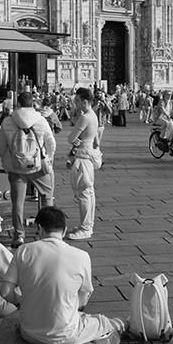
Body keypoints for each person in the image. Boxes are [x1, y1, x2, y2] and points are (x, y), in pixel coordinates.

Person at [0, 206, 127, 344]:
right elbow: (83, 299)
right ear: (64, 231)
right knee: (101, 321)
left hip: (29, 334)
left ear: (40, 228)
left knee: (78, 317)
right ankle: (124, 325)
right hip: (65, 336)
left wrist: (23, 302)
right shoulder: (81, 256)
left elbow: (5, 292)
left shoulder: (23, 251)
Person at [0, 91, 56, 249]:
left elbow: (1, 147)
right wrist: (48, 159)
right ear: (33, 104)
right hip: (38, 167)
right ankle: (46, 232)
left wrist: (6, 163)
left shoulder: (7, 121)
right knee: (47, 197)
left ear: (18, 103)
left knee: (18, 202)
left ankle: (19, 236)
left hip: (16, 168)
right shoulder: (41, 120)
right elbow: (51, 143)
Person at [66, 87, 100, 241]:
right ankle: (87, 225)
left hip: (82, 158)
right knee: (89, 192)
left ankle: (85, 228)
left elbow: (71, 138)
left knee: (83, 194)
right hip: (88, 156)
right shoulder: (93, 115)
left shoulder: (84, 117)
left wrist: (76, 141)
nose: (75, 103)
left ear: (85, 101)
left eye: (77, 101)